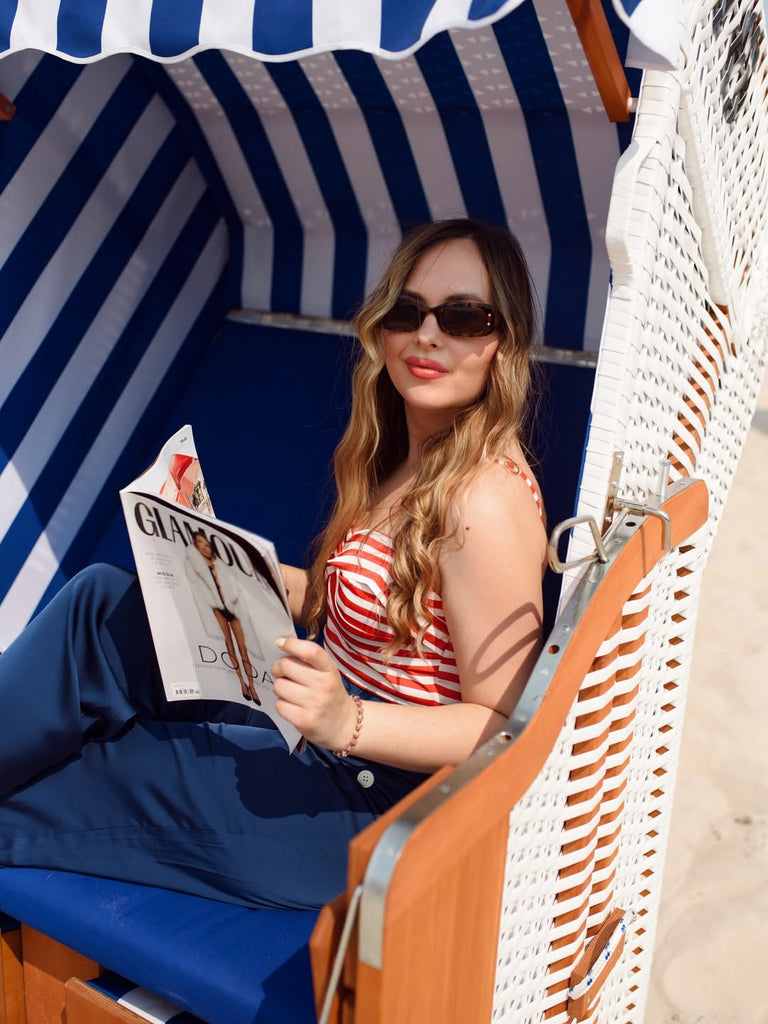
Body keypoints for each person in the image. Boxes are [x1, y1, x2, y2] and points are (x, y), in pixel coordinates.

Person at [0, 218, 547, 911]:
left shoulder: (485, 500)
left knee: (65, 776)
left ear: (504, 342)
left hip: (367, 807)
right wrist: (216, 556)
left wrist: (348, 722)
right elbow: (370, 608)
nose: (428, 335)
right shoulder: (408, 460)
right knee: (102, 603)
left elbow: (506, 728)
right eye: (408, 312)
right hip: (309, 732)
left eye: (463, 317)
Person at [184, 529, 262, 704]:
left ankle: (253, 686)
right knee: (230, 647)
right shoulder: (196, 567)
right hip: (217, 608)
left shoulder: (222, 565)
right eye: (200, 544)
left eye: (207, 544)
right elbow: (197, 587)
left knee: (243, 649)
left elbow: (235, 585)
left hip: (232, 607)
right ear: (195, 547)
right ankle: (242, 683)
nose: (205, 547)